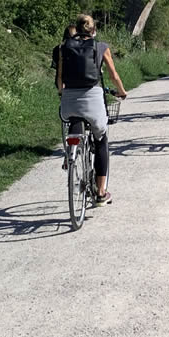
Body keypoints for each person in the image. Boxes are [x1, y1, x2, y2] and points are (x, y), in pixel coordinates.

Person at [57, 14, 127, 207]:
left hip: (69, 100)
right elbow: (113, 75)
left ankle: (70, 153)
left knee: (72, 121)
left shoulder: (64, 47)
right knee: (101, 139)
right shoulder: (100, 46)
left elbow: (60, 77)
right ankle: (101, 193)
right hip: (93, 99)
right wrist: (122, 91)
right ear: (93, 30)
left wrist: (63, 93)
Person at [51, 24, 76, 88]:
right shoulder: (77, 48)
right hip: (73, 81)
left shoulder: (57, 48)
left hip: (60, 81)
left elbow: (55, 65)